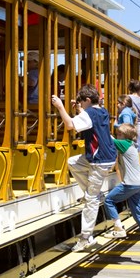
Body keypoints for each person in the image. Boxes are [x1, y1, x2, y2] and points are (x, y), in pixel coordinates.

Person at [51, 85, 117, 252]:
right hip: (103, 157)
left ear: (87, 100)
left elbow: (69, 125)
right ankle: (91, 193)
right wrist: (81, 108)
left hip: (99, 160)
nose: (79, 103)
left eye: (81, 101)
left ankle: (85, 237)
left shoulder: (89, 114)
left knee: (91, 200)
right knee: (73, 162)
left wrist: (60, 106)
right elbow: (88, 118)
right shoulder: (102, 110)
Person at [103, 123, 140, 260]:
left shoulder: (124, 144)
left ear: (125, 136)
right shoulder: (133, 145)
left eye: (119, 134)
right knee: (138, 213)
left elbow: (108, 139)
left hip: (129, 184)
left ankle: (118, 228)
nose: (117, 136)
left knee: (108, 200)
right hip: (139, 184)